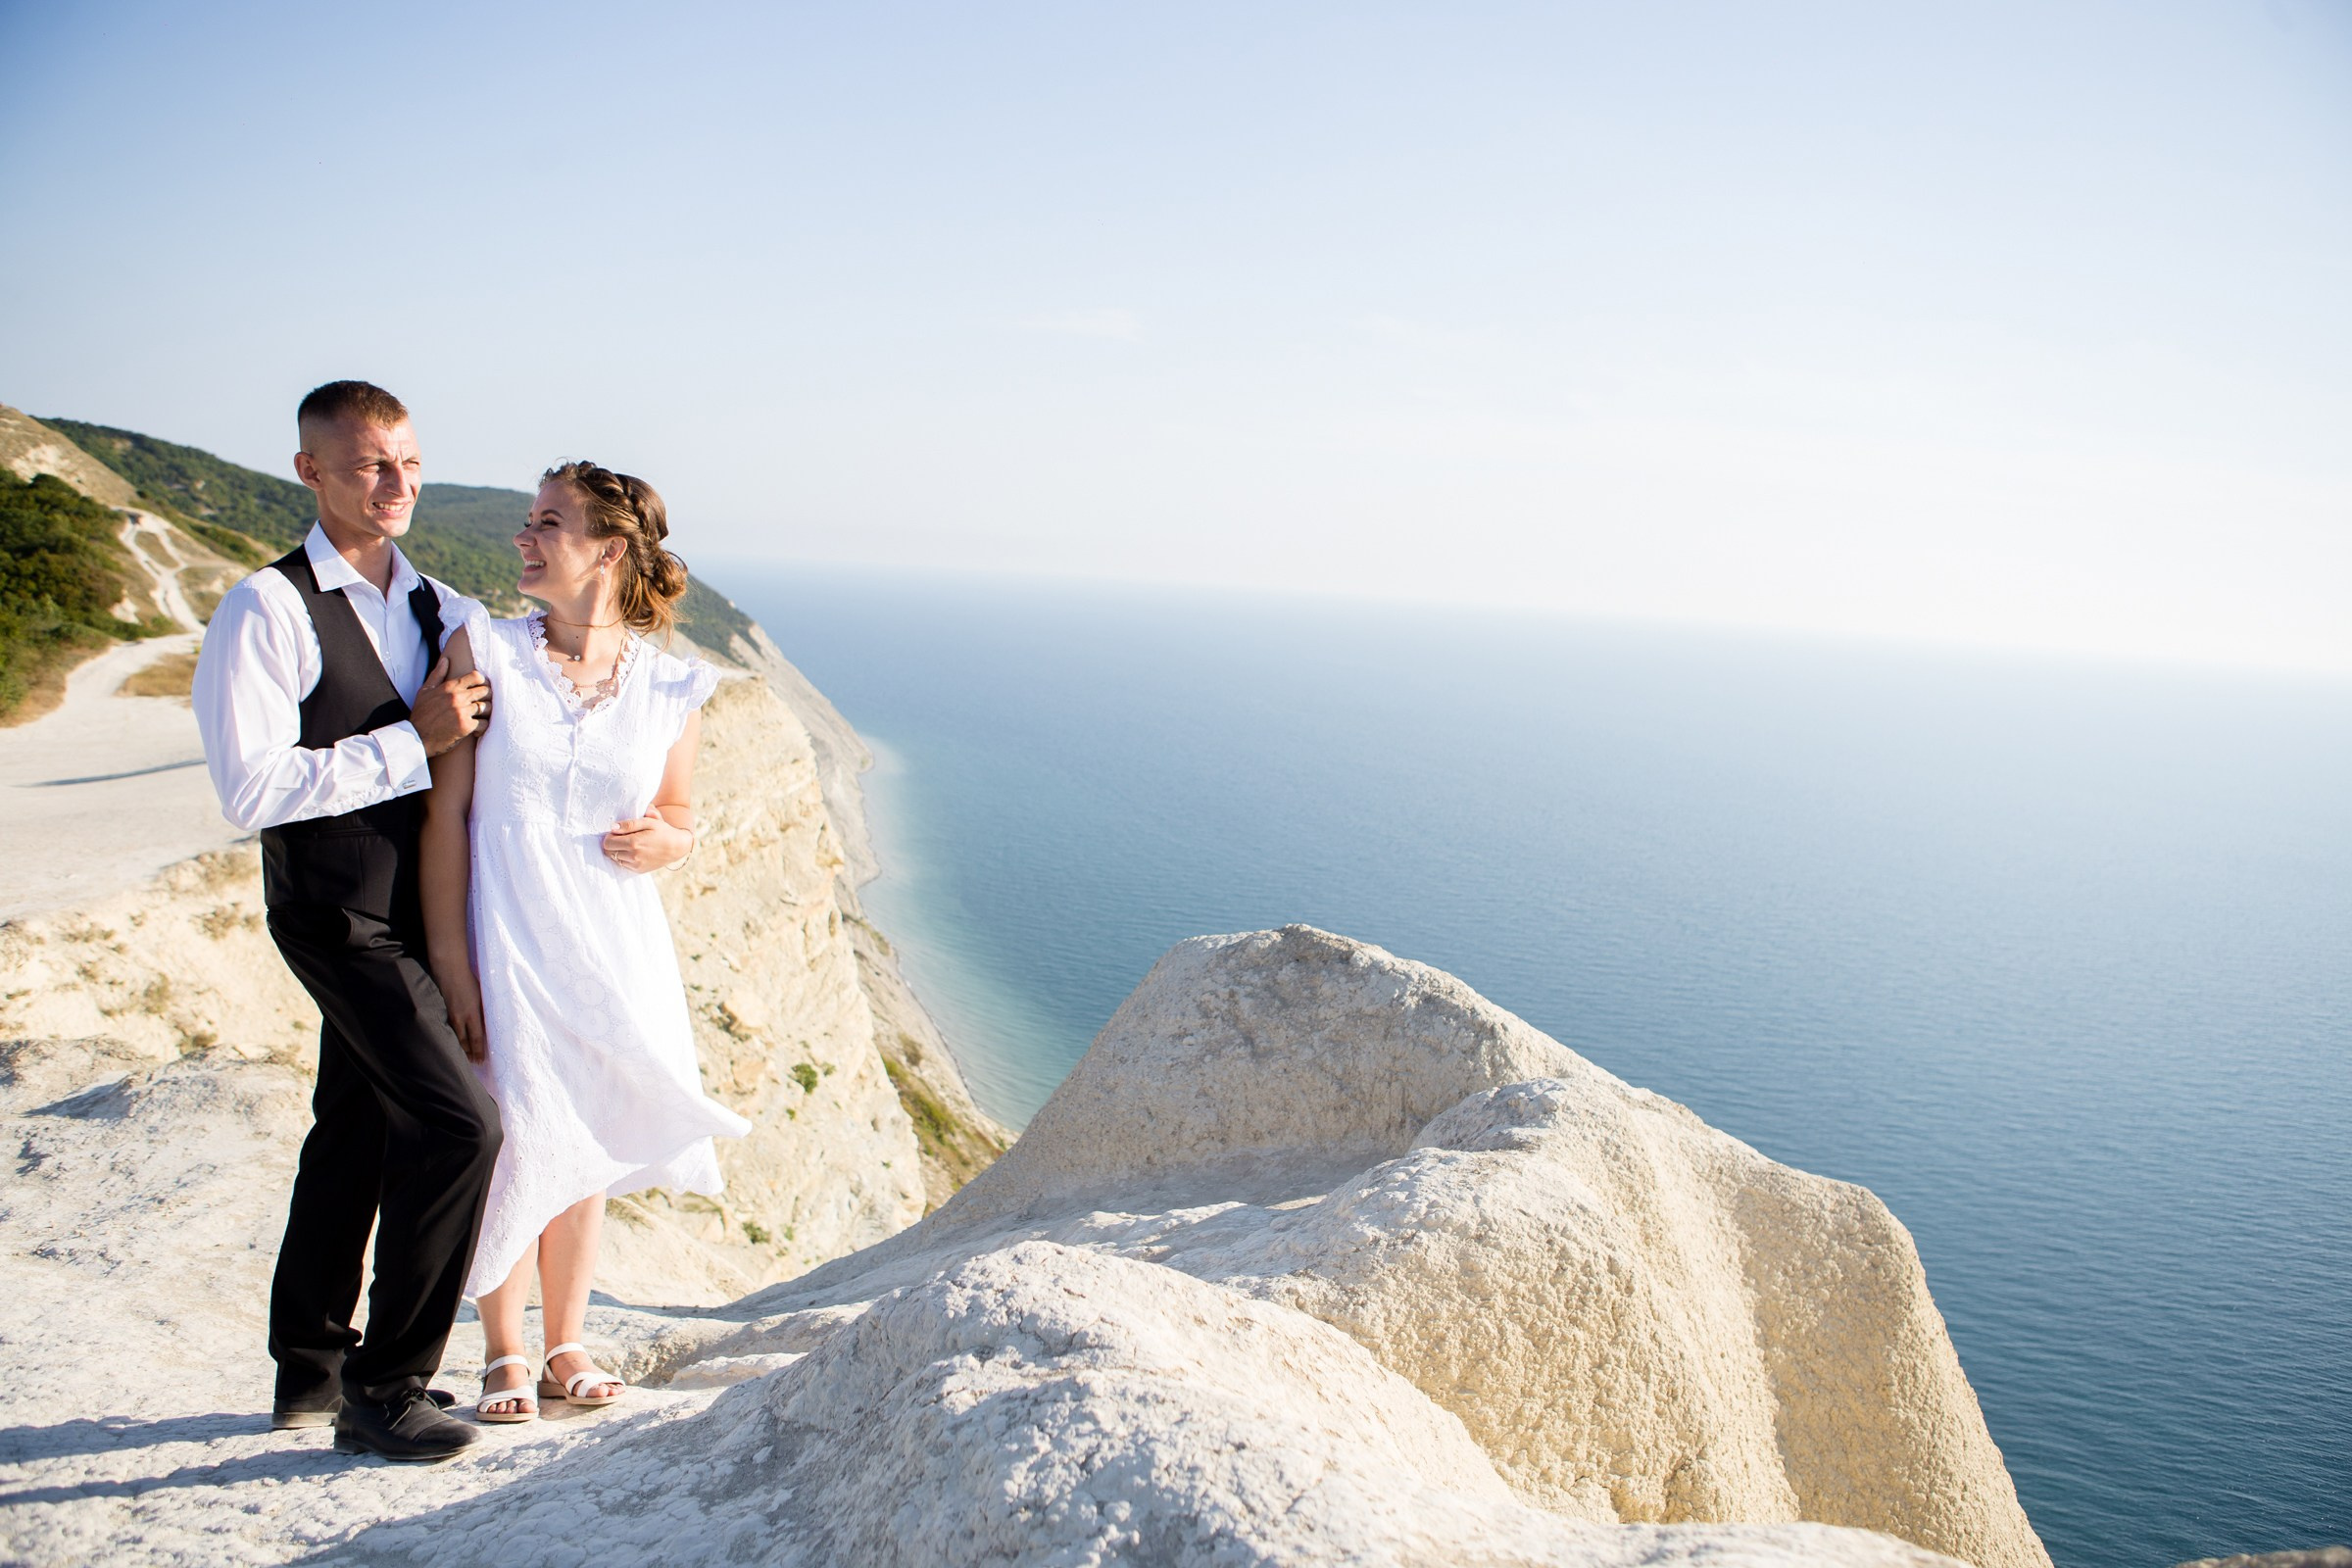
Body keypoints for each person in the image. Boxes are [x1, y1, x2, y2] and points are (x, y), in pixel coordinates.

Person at [191, 380, 501, 1462]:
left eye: (410, 462)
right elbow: (251, 789)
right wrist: (412, 741)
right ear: (309, 471)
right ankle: (388, 1386)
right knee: (464, 1126)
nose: (397, 483)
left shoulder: (443, 607)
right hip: (332, 910)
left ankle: (309, 1372)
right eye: (371, 463)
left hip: (417, 910)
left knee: (356, 1131)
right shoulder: (265, 609)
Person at [418, 460, 749, 1423]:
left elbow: (681, 810)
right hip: (505, 933)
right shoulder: (483, 646)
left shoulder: (673, 683)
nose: (524, 538)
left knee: (584, 1137)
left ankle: (566, 1341)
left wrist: (670, 838)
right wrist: (450, 959)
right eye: (527, 521)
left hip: (609, 941)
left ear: (608, 549)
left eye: (547, 523)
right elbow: (447, 816)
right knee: (516, 1131)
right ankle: (503, 1349)